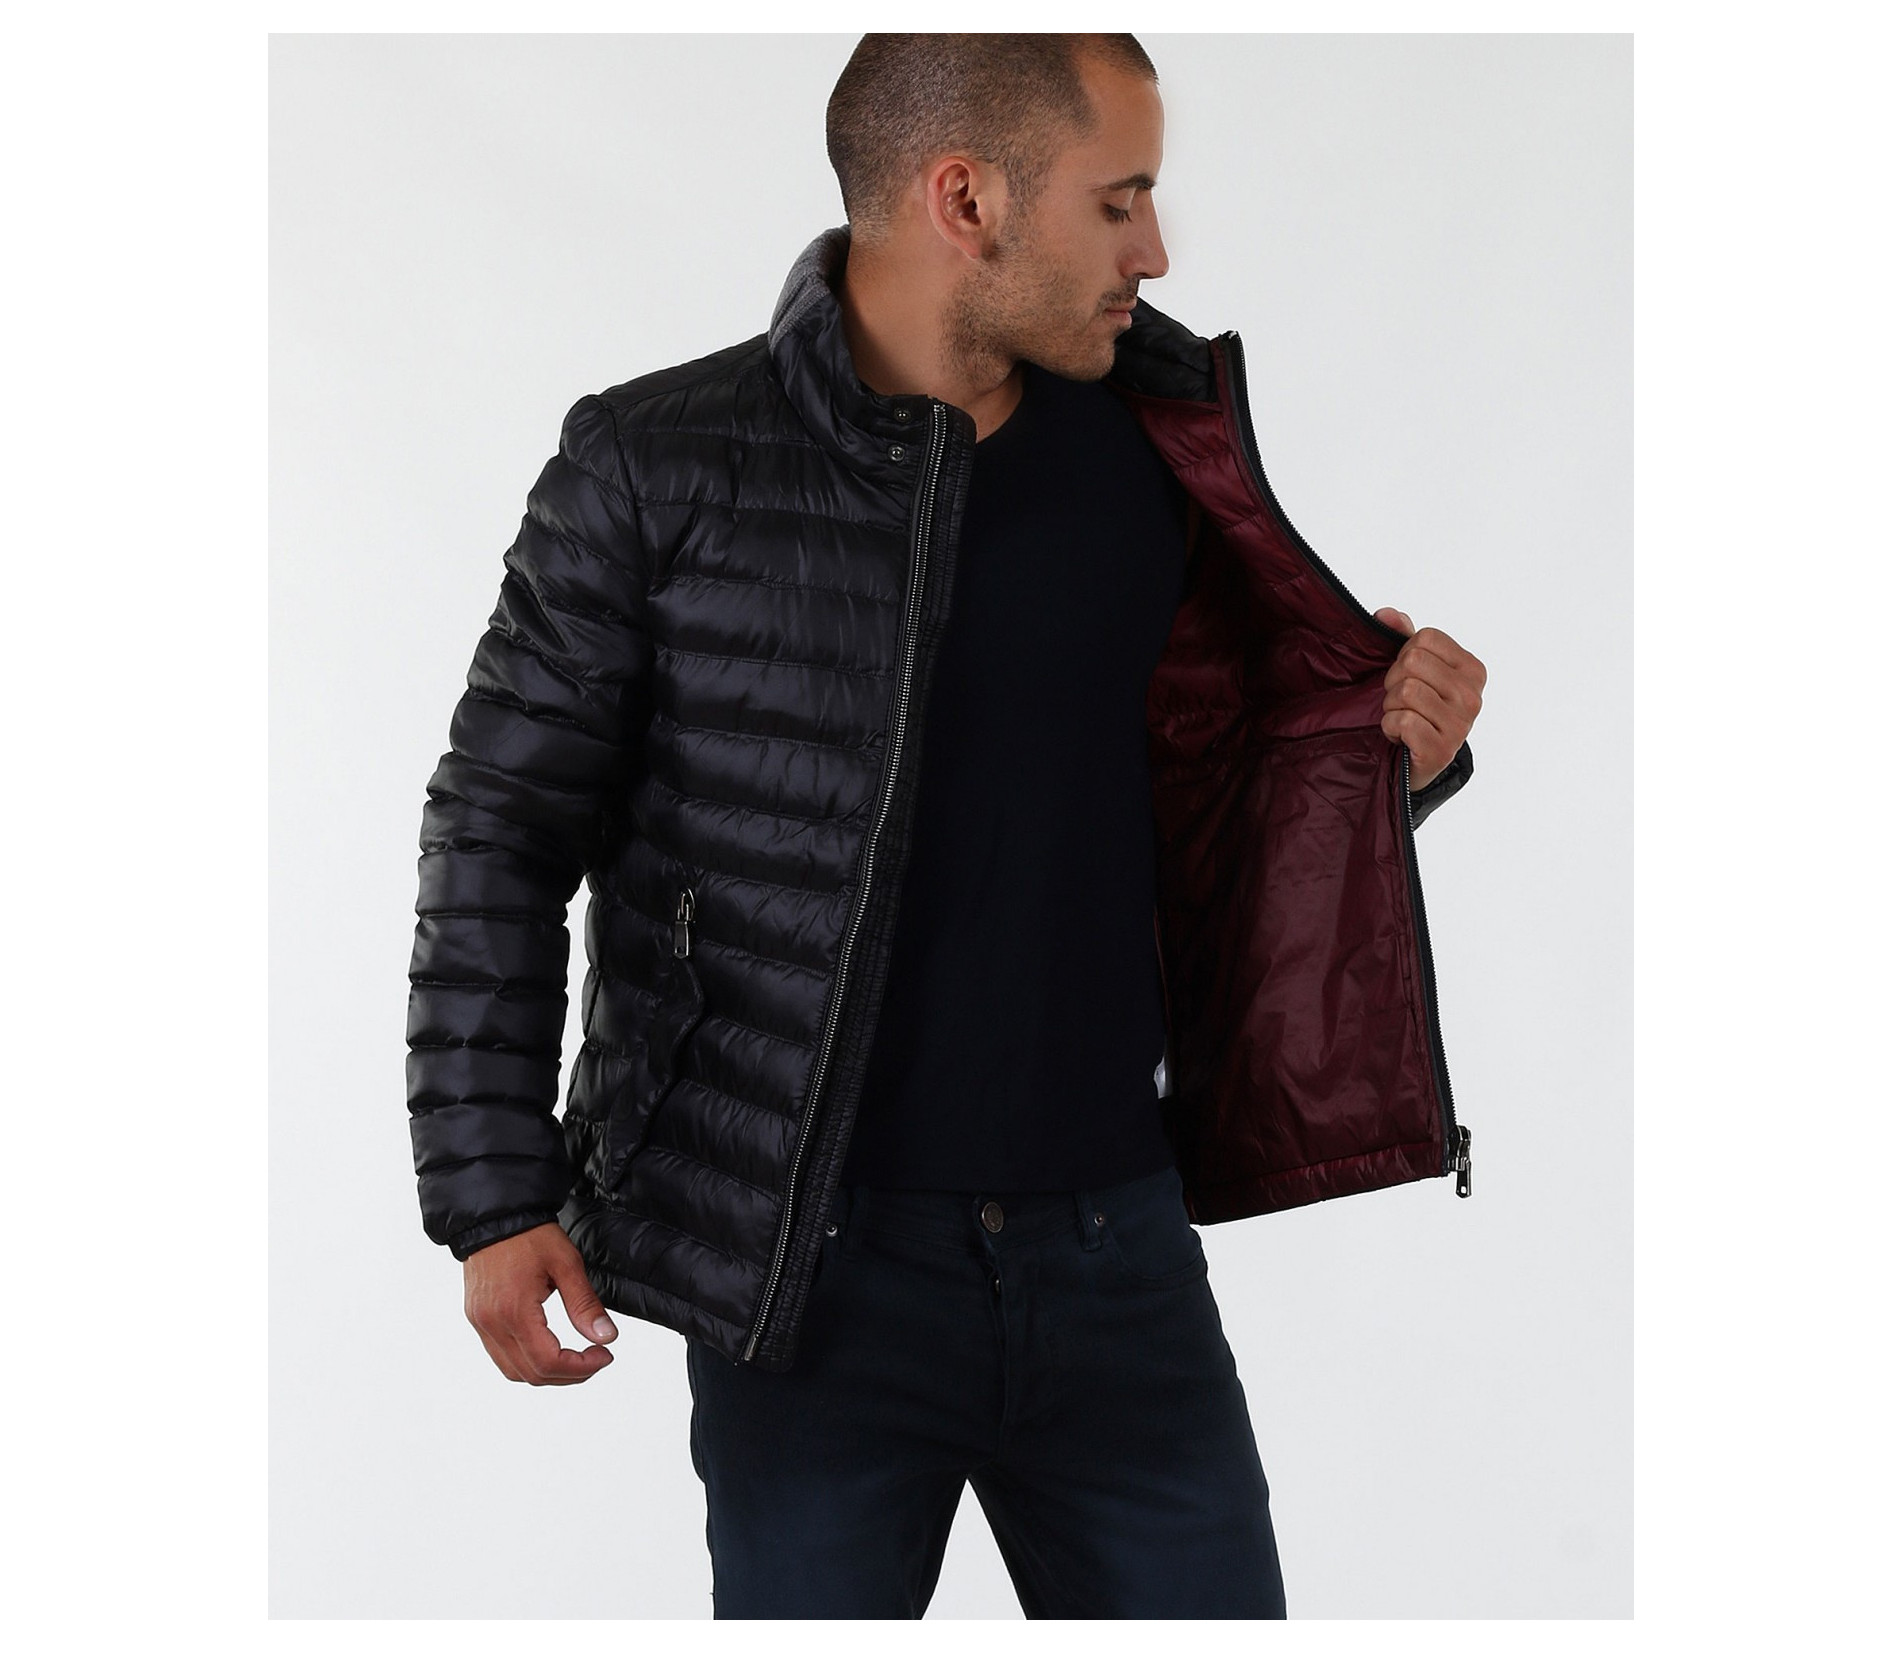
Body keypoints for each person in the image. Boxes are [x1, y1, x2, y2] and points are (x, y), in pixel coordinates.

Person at [406, 33, 1487, 1619]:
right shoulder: (655, 465)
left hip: (1119, 1253)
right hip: (809, 1273)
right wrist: (494, 1193)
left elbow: (1207, 787)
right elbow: (498, 830)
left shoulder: (1159, 446)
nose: (1156, 251)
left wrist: (1383, 754)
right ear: (966, 199)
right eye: (1118, 201)